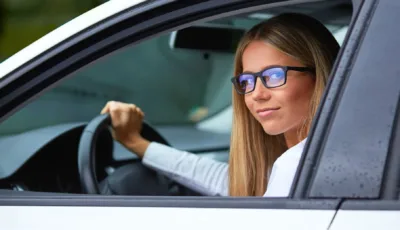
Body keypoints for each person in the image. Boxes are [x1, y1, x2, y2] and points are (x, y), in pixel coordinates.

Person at [100, 13, 340, 197]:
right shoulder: (321, 158)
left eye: (274, 76)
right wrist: (136, 143)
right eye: (247, 80)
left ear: (319, 75)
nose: (256, 94)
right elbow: (240, 185)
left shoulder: (295, 165)